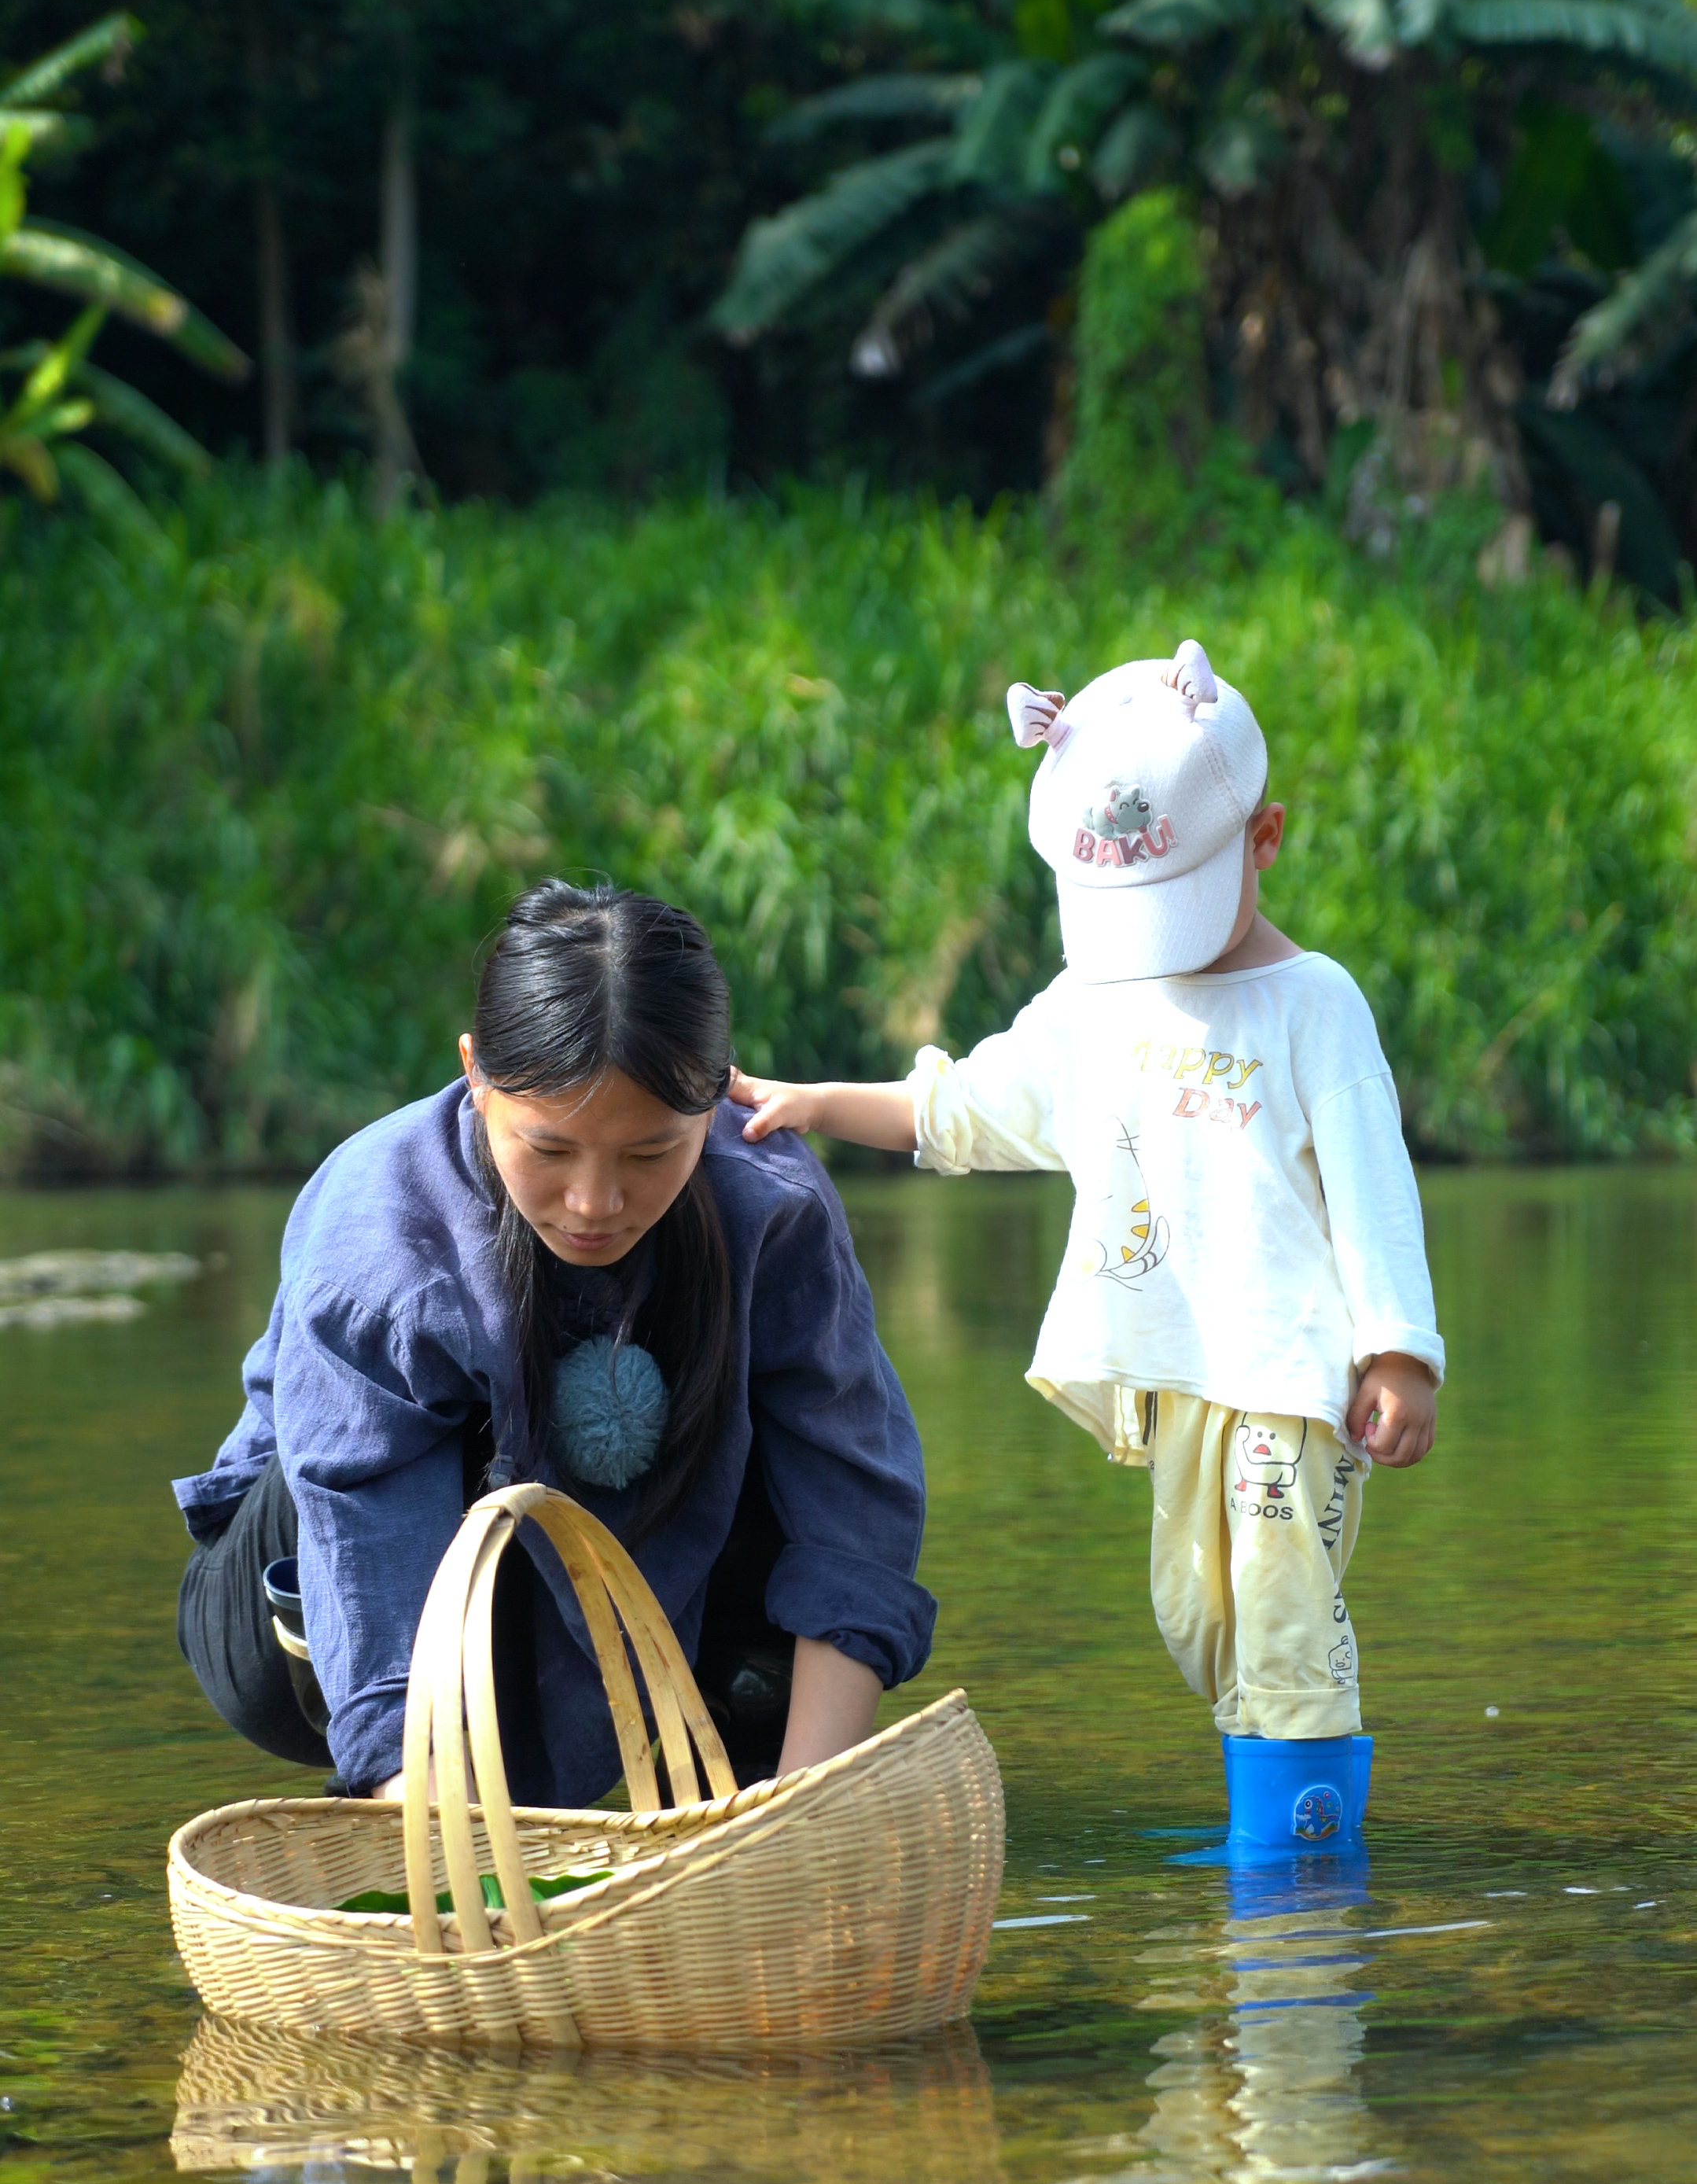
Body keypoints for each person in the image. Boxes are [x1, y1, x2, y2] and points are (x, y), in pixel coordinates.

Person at [731, 638, 1443, 1845]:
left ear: (1261, 840)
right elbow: (968, 1107)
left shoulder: (1311, 1003)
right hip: (1175, 1374)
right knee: (1191, 1608)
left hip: (1289, 1378)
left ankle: (1297, 1864)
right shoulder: (1100, 997)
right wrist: (812, 1100)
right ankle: (1272, 1805)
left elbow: (1374, 1186)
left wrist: (1399, 1352)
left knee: (1281, 1609)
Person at [175, 882, 935, 1806]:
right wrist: (449, 1859)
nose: (594, 1204)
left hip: (631, 1588)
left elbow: (849, 1499)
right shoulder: (381, 1235)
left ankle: (733, 1773)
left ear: (717, 1097)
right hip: (308, 1606)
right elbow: (366, 1534)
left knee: (767, 1460)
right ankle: (450, 1793)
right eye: (549, 1150)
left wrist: (808, 1809)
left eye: (651, 1155)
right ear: (476, 1077)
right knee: (447, 1456)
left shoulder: (770, 1199)